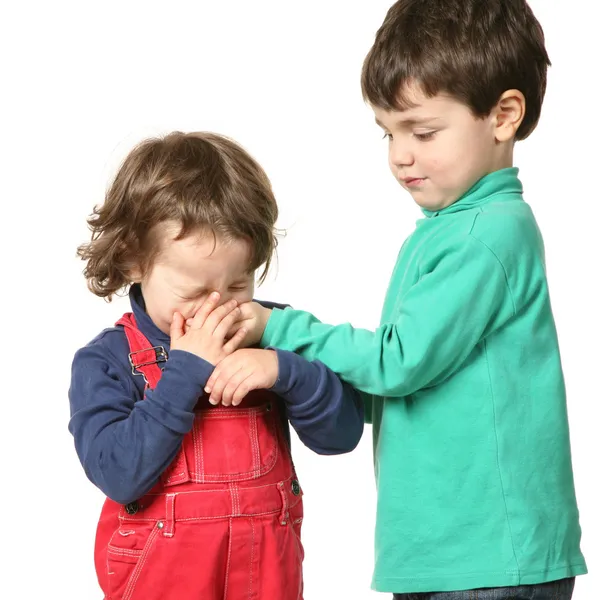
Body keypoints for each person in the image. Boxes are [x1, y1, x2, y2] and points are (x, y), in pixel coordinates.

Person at [205, 2, 588, 598]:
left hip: (489, 557)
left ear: (504, 115)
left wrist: (280, 331)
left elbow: (398, 361)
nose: (400, 154)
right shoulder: (447, 230)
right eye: (390, 132)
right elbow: (400, 384)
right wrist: (291, 375)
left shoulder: (487, 233)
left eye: (423, 131)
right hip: (442, 553)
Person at [68, 131, 363, 600]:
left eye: (238, 284)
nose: (217, 306)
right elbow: (118, 474)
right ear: (131, 262)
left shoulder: (272, 331)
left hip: (266, 579)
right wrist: (185, 370)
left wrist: (285, 371)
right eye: (192, 291)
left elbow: (341, 435)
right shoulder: (106, 360)